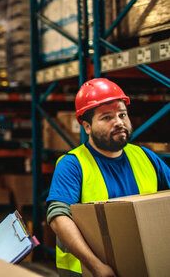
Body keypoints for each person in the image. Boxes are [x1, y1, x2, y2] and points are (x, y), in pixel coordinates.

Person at [46, 78, 170, 277]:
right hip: (88, 272)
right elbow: (58, 217)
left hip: (144, 265)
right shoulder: (72, 164)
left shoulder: (145, 157)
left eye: (122, 114)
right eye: (106, 117)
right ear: (87, 127)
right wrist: (96, 267)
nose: (119, 122)